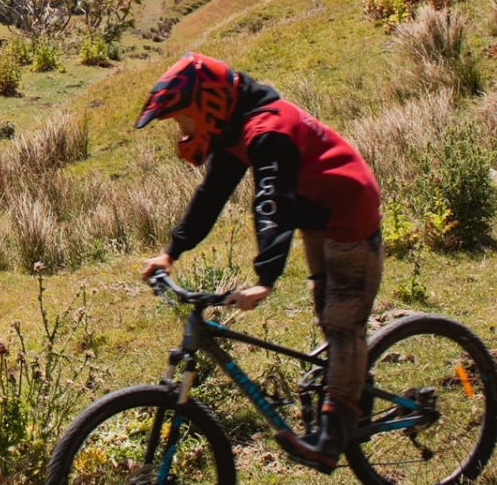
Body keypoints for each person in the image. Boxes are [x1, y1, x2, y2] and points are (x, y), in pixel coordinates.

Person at [135, 52, 382, 473]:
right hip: (317, 214)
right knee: (327, 308)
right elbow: (211, 196)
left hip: (348, 211)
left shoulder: (268, 130)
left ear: (209, 104)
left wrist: (265, 278)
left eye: (183, 121)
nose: (183, 133)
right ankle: (355, 383)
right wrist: (170, 252)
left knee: (342, 319)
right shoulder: (234, 131)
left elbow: (272, 201)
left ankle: (332, 433)